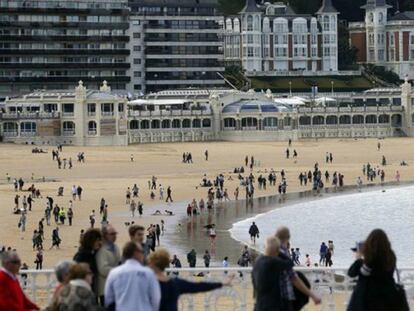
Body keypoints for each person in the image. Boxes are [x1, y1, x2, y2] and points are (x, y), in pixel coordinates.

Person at [148, 249, 232, 311]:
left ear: (151, 263)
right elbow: (199, 286)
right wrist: (223, 283)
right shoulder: (175, 283)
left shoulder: (146, 283)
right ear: (167, 263)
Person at [347, 229, 408, 311]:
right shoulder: (391, 256)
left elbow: (352, 273)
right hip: (389, 297)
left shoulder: (368, 259)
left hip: (367, 300)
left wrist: (359, 258)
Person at [104, 241, 161, 311]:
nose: (143, 254)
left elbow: (108, 299)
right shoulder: (149, 273)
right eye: (142, 251)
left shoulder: (114, 273)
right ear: (136, 253)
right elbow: (156, 298)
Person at [276, 226, 321, 310]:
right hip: (284, 298)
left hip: (270, 298)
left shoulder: (269, 253)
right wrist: (312, 295)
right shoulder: (283, 255)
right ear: (288, 238)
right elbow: (294, 278)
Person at [252, 236, 293, 311]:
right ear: (276, 250)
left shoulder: (258, 261)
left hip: (259, 304)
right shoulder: (273, 262)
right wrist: (281, 252)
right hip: (272, 305)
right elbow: (290, 263)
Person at [96, 225, 121, 306]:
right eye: (112, 234)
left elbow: (119, 262)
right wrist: (119, 271)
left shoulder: (116, 247)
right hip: (105, 289)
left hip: (116, 287)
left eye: (115, 233)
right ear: (105, 235)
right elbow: (103, 269)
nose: (114, 236)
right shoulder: (101, 249)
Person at [73, 228, 103, 296]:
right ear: (91, 241)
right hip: (83, 293)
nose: (99, 243)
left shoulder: (95, 253)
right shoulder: (81, 256)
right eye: (97, 240)